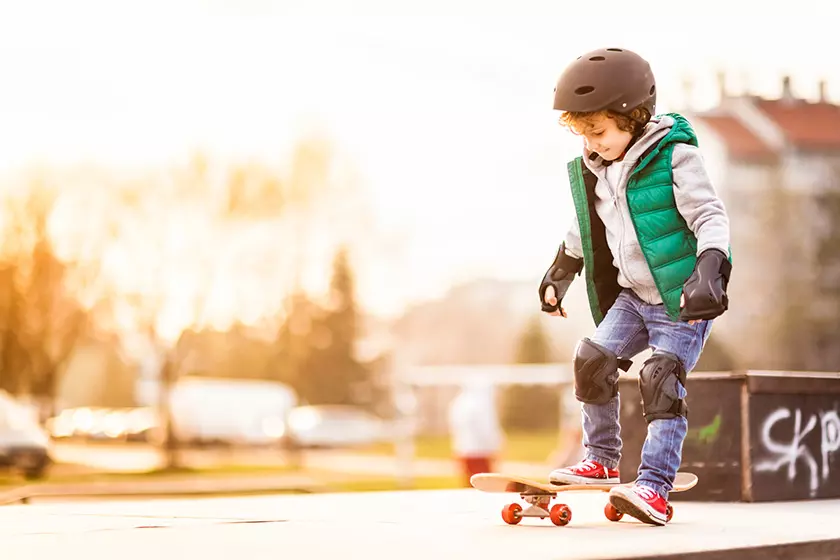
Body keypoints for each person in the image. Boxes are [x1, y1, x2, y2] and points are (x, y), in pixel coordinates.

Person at [539, 47, 732, 526]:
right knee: (592, 361)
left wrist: (711, 267)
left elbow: (710, 215)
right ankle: (601, 457)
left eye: (599, 132)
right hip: (632, 296)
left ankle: (655, 487)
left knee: (660, 380)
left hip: (679, 300)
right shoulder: (599, 168)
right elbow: (587, 226)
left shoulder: (675, 157)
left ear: (633, 114)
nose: (592, 143)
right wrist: (562, 270)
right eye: (584, 134)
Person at [448, 381, 502, 486]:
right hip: (480, 453)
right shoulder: (481, 405)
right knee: (483, 487)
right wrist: (495, 446)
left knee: (469, 484)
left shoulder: (459, 403)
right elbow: (486, 429)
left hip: (464, 451)